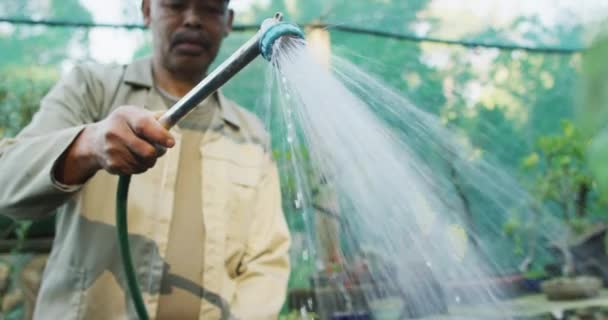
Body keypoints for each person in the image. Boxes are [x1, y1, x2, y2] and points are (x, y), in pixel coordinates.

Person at [0, 0, 290, 319]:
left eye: (210, 9)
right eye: (176, 5)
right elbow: (7, 182)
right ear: (147, 11)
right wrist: (89, 145)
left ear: (228, 22)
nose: (192, 19)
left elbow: (266, 259)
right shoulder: (92, 90)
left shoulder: (250, 134)